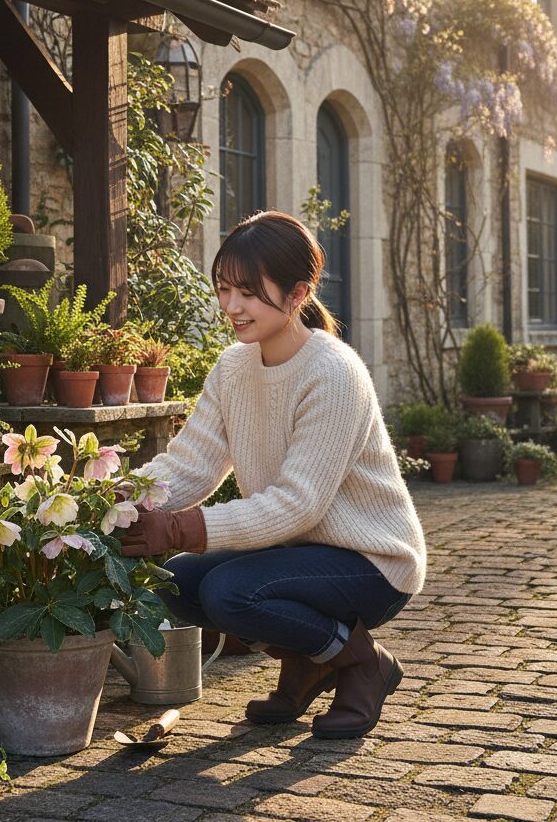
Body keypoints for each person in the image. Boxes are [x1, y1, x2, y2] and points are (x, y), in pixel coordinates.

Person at [119, 210, 426, 739]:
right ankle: (312, 658)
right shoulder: (234, 368)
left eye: (249, 292)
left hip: (370, 560)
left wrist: (182, 529)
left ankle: (362, 663)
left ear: (297, 293)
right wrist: (119, 496)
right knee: (178, 583)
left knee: (230, 594)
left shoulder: (332, 372)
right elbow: (191, 463)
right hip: (293, 552)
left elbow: (297, 504)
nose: (231, 307)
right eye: (223, 289)